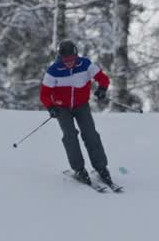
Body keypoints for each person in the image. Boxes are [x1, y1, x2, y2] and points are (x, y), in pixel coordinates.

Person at [39, 40, 115, 186]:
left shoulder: (85, 64)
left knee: (90, 134)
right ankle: (79, 169)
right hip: (62, 108)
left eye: (72, 59)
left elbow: (103, 79)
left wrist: (102, 89)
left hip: (81, 105)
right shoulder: (53, 71)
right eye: (66, 60)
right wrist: (51, 107)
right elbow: (44, 94)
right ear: (60, 57)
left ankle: (101, 167)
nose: (69, 63)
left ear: (76, 56)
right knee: (70, 136)